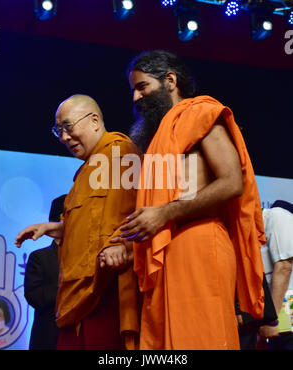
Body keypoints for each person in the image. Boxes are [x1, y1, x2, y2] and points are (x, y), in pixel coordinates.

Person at [112, 50, 266, 350]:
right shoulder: (161, 135)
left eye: (142, 86)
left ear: (170, 80)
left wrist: (163, 214)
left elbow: (232, 181)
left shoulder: (201, 114)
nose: (135, 98)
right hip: (167, 248)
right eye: (133, 89)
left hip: (200, 241)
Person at [16, 94, 140, 350]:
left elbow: (134, 212)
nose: (63, 137)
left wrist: (123, 244)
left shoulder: (121, 153)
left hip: (107, 289)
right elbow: (94, 222)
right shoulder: (85, 172)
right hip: (79, 296)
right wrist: (59, 228)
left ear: (94, 120)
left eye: (68, 127)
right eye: (58, 130)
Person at [24, 194, 66, 350]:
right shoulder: (39, 257)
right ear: (62, 216)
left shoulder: (88, 256)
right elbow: (34, 296)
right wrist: (68, 287)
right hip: (48, 338)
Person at [259, 200, 293, 350]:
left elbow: (284, 268)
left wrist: (271, 320)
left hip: (284, 318)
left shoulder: (275, 216)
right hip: (277, 321)